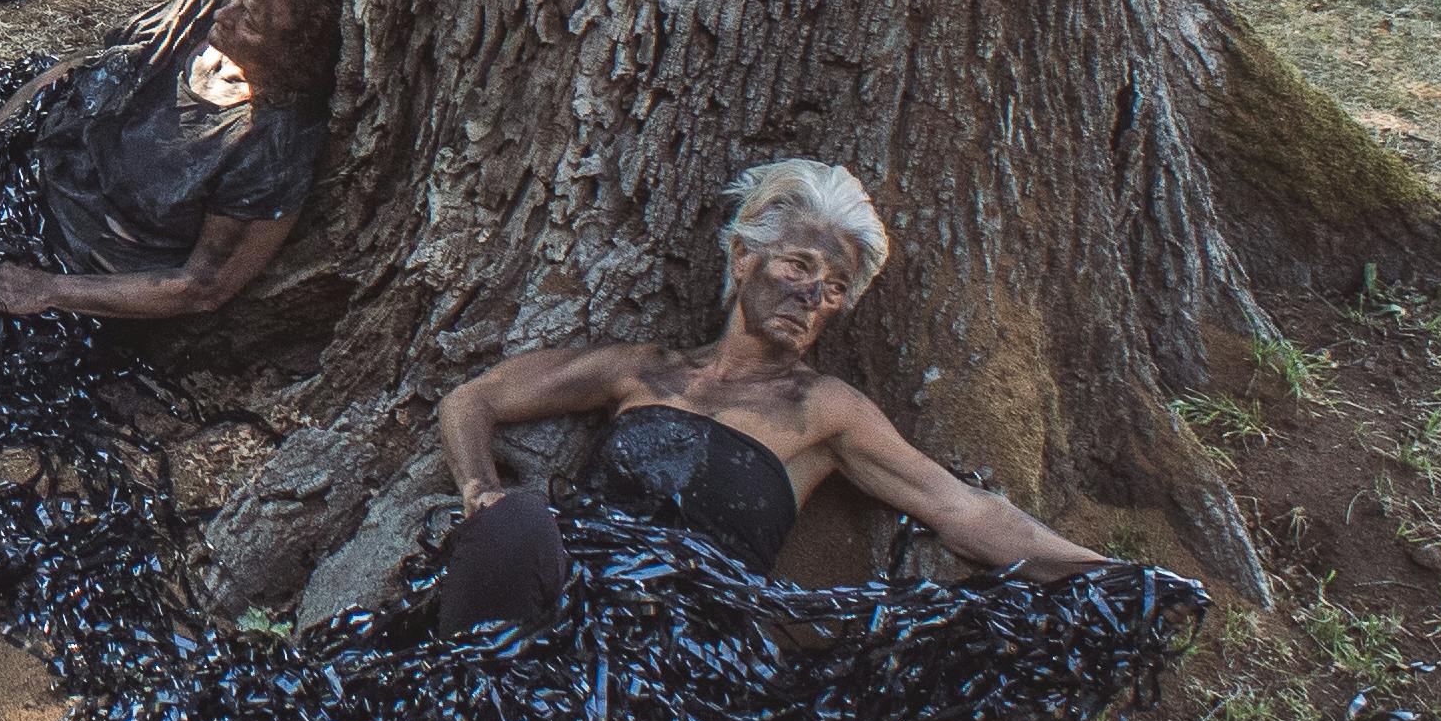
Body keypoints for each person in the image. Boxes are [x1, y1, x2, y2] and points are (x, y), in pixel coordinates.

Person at [425, 157, 1113, 632]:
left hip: (682, 637)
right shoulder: (642, 371)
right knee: (516, 523)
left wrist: (1106, 576)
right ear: (743, 259)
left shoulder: (823, 409)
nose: (812, 295)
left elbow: (961, 509)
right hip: (566, 592)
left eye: (835, 287)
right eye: (797, 264)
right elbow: (471, 400)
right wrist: (479, 487)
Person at [0, 0, 347, 327]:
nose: (224, 15)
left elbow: (202, 286)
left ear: (296, 53)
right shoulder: (193, 15)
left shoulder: (271, 149)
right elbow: (74, 72)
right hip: (13, 182)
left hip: (66, 264)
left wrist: (46, 290)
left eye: (250, 19)